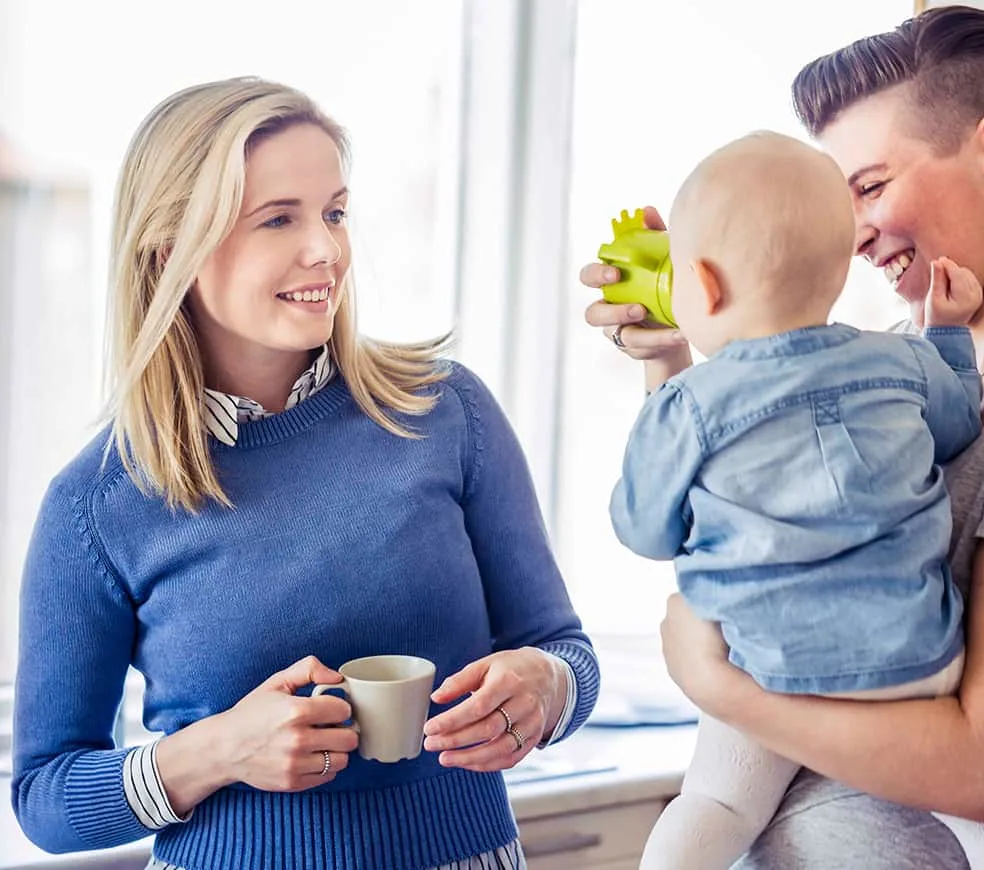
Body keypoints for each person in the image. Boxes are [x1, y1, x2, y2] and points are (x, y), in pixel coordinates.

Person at [583, 6, 984, 868]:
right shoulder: (904, 366)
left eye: (870, 186)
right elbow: (756, 531)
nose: (850, 234)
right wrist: (678, 357)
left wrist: (722, 689)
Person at [12, 77, 599, 870]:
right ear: (171, 252)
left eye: (334, 211)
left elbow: (564, 650)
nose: (325, 249)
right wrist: (216, 752)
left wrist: (547, 688)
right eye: (277, 219)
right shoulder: (99, 504)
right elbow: (46, 798)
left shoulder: (445, 411)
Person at [610, 130, 984, 870]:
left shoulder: (689, 406)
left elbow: (645, 530)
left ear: (703, 285)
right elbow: (955, 426)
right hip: (913, 664)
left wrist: (664, 384)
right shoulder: (901, 362)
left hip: (768, 666)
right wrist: (945, 335)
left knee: (717, 806)